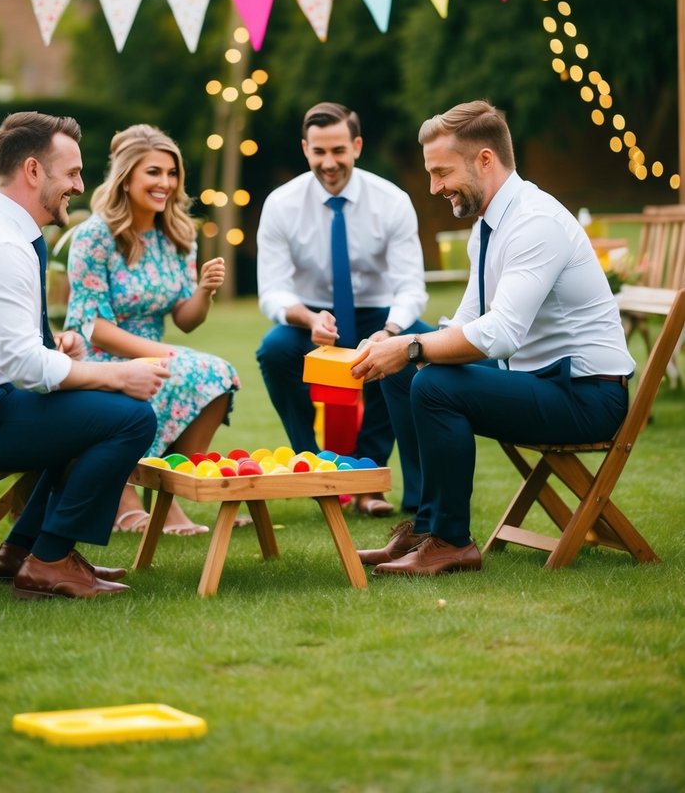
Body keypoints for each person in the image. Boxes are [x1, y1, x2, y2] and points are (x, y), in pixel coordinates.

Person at [352, 99, 634, 576]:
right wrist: (394, 342)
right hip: (538, 379)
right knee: (407, 374)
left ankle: (452, 541)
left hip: (587, 396)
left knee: (434, 384)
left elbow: (500, 334)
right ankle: (426, 527)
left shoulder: (535, 223)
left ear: (485, 159)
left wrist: (413, 349)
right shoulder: (487, 224)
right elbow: (465, 322)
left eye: (441, 173)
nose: (434, 187)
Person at [0, 111, 166, 601]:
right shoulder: (0, 246)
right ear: (32, 171)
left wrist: (57, 346)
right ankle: (47, 561)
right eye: (71, 173)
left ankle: (22, 550)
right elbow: (26, 369)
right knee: (130, 418)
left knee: (98, 415)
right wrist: (118, 376)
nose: (79, 185)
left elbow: (17, 352)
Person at [65, 123, 240, 537]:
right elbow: (93, 326)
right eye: (154, 172)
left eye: (172, 173)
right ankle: (124, 501)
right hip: (97, 353)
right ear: (126, 179)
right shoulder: (94, 236)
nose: (166, 183)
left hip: (152, 349)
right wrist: (160, 354)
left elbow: (185, 319)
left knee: (220, 374)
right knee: (184, 369)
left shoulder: (178, 234)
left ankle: (169, 499)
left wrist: (205, 291)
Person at [256, 101, 430, 516]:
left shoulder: (392, 201)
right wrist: (308, 318)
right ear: (305, 149)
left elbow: (411, 286)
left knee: (412, 352)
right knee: (274, 351)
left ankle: (370, 479)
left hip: (380, 314)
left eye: (338, 150)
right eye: (319, 152)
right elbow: (272, 291)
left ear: (356, 145)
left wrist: (390, 333)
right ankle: (314, 469)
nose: (329, 162)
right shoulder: (281, 204)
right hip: (312, 316)